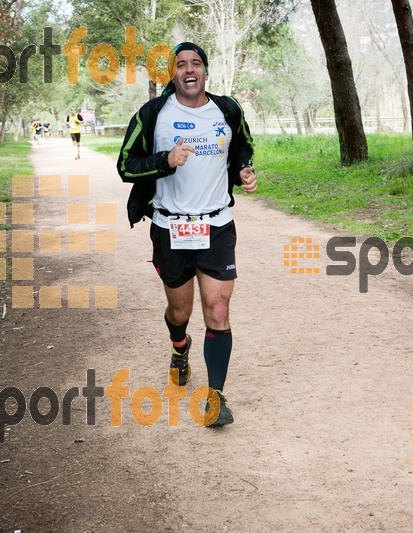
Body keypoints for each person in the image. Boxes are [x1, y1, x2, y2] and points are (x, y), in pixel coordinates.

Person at [116, 42, 257, 427]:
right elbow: (126, 166)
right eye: (181, 65)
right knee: (180, 311)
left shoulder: (226, 109)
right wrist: (165, 161)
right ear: (173, 74)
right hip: (170, 226)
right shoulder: (154, 114)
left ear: (206, 72)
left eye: (196, 63)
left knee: (219, 309)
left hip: (216, 224)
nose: (189, 70)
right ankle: (180, 347)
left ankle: (215, 397)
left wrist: (244, 168)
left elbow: (243, 145)